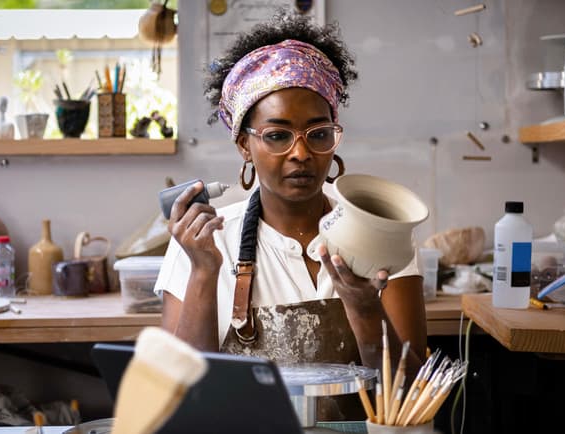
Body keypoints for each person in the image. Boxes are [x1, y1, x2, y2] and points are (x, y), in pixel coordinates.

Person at [155, 10, 426, 385]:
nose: (301, 153)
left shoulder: (380, 233)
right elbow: (179, 392)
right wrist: (203, 272)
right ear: (244, 145)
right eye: (278, 136)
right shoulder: (206, 241)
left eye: (318, 133)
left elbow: (411, 393)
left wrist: (365, 307)